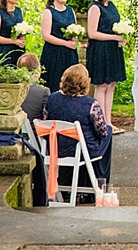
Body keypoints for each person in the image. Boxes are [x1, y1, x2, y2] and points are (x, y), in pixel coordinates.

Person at [44, 64, 113, 192]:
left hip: (57, 147)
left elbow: (45, 122)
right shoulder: (90, 104)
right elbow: (102, 132)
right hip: (82, 150)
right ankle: (99, 181)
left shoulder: (52, 99)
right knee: (108, 132)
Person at [86, 0, 126, 130]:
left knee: (111, 84)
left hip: (113, 49)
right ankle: (100, 121)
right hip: (100, 49)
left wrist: (121, 37)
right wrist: (114, 37)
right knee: (102, 85)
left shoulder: (111, 5)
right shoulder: (95, 8)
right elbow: (92, 33)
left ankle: (109, 121)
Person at [40, 0, 80, 94]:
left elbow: (75, 28)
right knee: (54, 83)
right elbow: (46, 36)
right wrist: (65, 43)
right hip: (54, 53)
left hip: (69, 53)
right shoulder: (48, 12)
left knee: (72, 83)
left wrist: (76, 37)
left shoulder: (70, 10)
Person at [17, 53, 51, 124]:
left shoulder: (12, 88)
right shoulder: (43, 91)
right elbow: (47, 117)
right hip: (34, 131)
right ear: (37, 70)